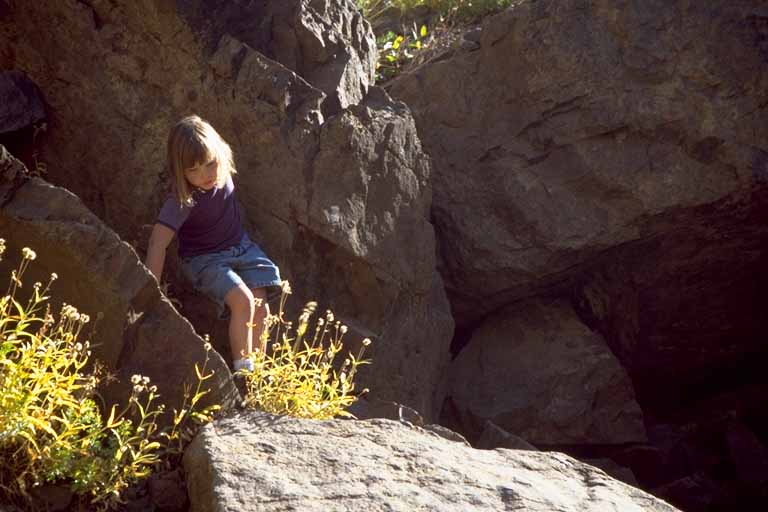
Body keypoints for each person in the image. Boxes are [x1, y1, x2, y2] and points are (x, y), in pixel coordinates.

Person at [145, 115, 281, 373]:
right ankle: (244, 372)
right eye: (193, 170)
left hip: (241, 248)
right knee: (243, 301)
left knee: (260, 305)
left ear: (219, 153)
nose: (205, 175)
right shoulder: (182, 200)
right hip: (204, 259)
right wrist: (149, 291)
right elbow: (157, 243)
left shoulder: (223, 167)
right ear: (180, 172)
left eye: (209, 164)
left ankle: (259, 374)